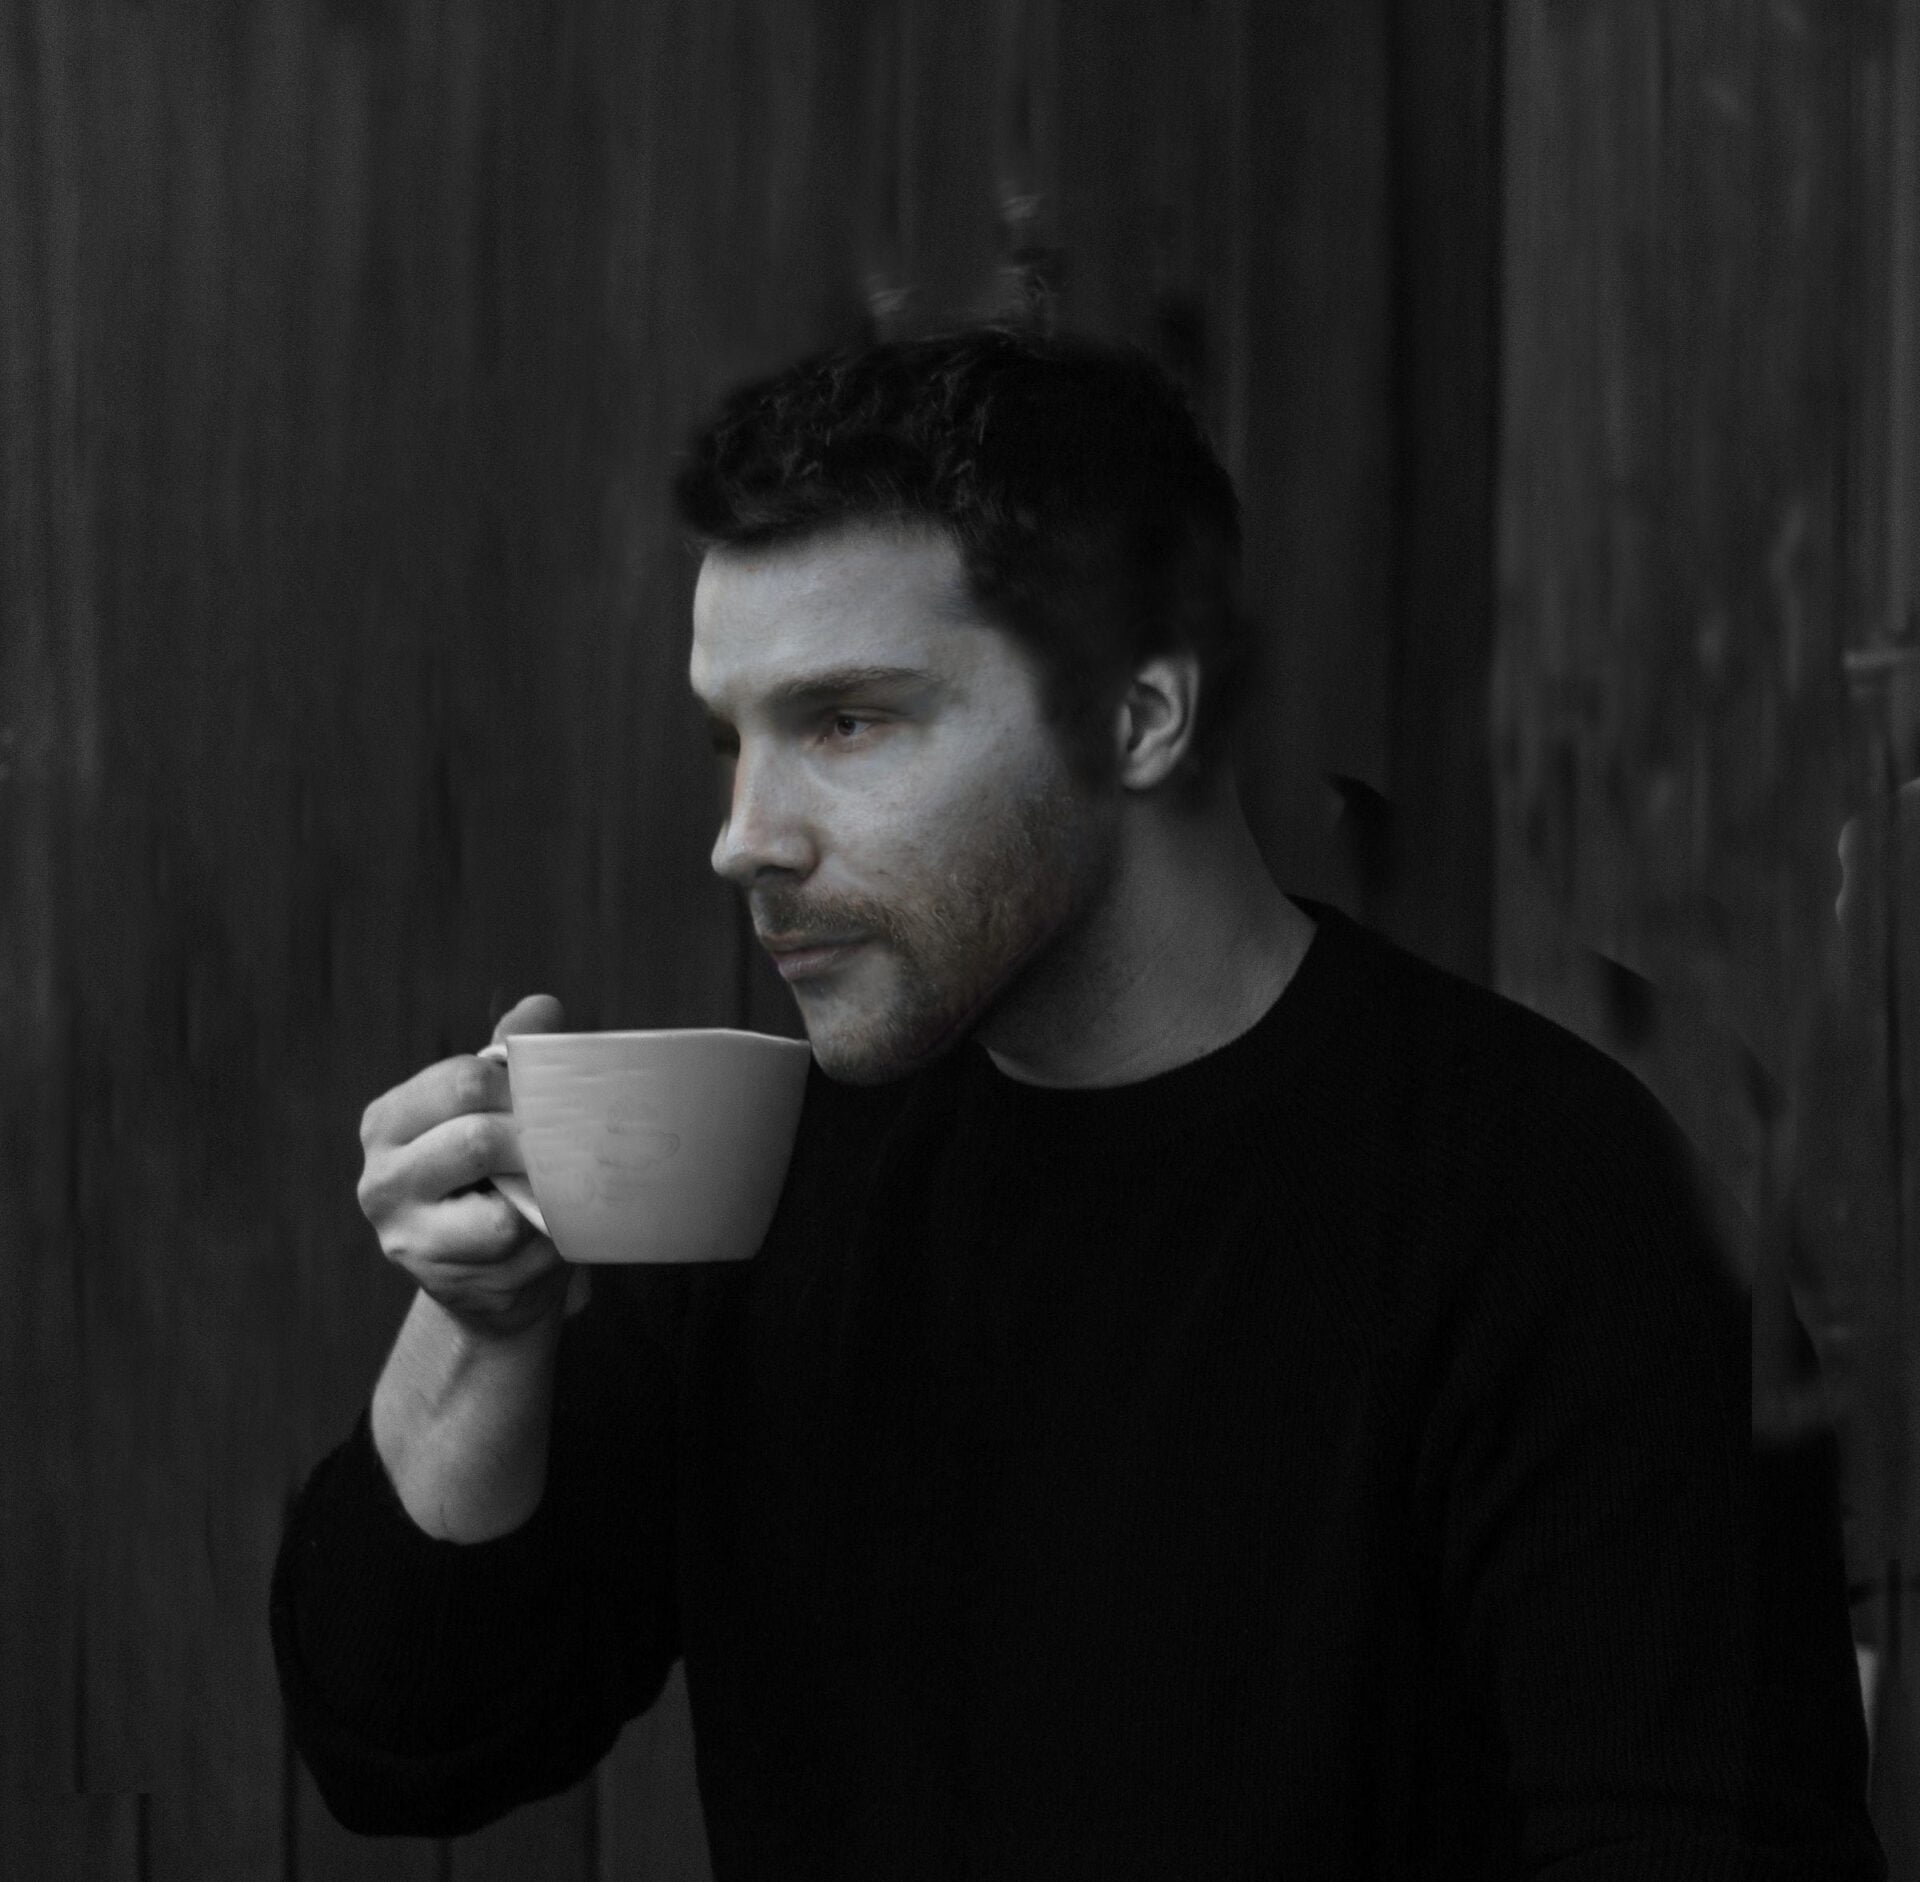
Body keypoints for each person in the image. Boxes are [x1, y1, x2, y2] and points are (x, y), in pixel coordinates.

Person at [270, 326, 1885, 1877]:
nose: (744, 836)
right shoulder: (769, 1167)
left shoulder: (1562, 1208)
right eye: (730, 740)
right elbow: (403, 1737)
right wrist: (483, 1324)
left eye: (845, 720)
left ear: (1140, 715)